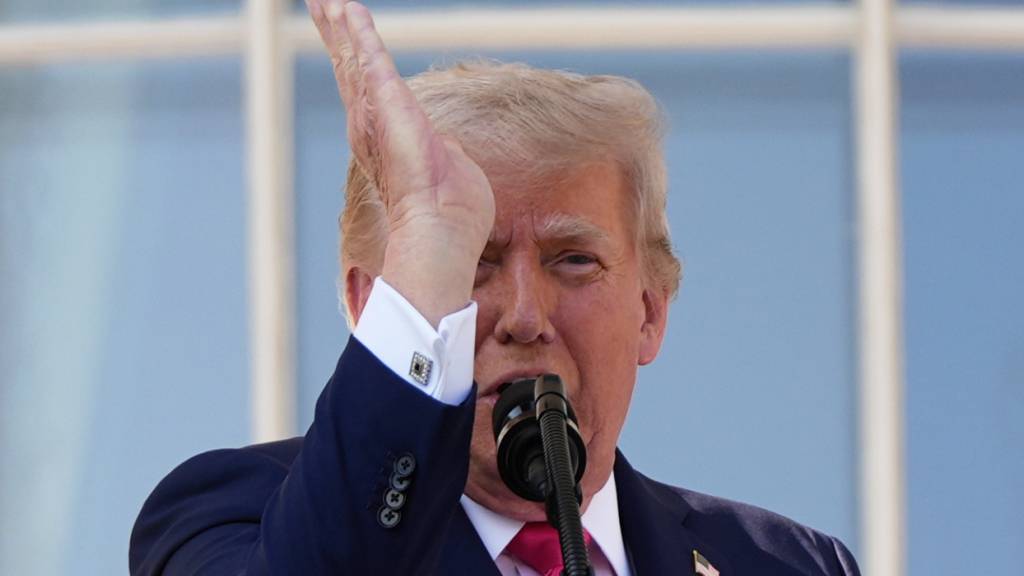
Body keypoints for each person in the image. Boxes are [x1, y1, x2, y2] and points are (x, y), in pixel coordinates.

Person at [129, 1, 861, 574]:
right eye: (472, 260)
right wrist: (427, 229)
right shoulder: (230, 513)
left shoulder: (792, 563)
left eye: (574, 261)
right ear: (370, 305)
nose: (525, 315)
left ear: (651, 311)